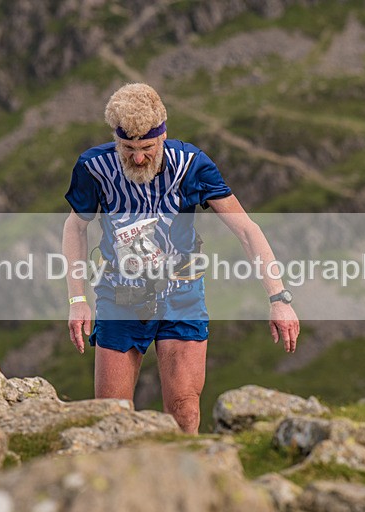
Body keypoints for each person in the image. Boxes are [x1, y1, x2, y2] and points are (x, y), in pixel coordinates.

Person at [62, 83, 299, 434]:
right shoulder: (94, 167)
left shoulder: (191, 165)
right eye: (128, 148)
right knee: (111, 416)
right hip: (120, 295)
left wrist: (279, 298)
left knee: (184, 411)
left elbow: (246, 230)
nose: (138, 159)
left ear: (163, 136)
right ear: (116, 139)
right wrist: (77, 300)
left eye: (147, 148)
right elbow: (75, 227)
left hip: (181, 294)